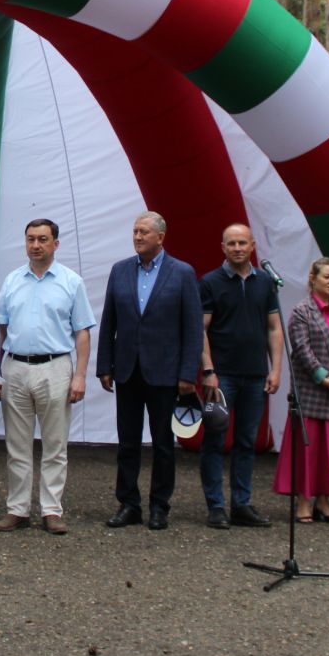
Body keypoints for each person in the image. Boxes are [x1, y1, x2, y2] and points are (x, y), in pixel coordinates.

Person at [96, 212, 201, 531]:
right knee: (127, 442)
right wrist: (104, 365)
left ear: (161, 236)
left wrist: (187, 373)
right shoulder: (120, 270)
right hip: (127, 369)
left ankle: (159, 506)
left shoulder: (182, 273)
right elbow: (109, 320)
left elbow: (193, 328)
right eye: (135, 231)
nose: (137, 237)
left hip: (166, 372)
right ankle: (129, 504)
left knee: (163, 442)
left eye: (144, 232)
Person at [0, 218, 93, 534]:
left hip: (55, 366)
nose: (36, 245)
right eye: (31, 239)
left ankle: (51, 511)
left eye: (43, 239)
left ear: (55, 244)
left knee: (55, 444)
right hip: (15, 366)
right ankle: (18, 509)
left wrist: (80, 376)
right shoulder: (12, 281)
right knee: (17, 445)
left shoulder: (71, 282)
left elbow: (83, 333)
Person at [197, 223, 283, 529]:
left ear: (253, 246)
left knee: (247, 441)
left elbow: (274, 327)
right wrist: (208, 370)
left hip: (256, 375)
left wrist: (275, 369)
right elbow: (201, 330)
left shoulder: (266, 283)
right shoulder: (210, 282)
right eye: (231, 243)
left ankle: (242, 504)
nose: (237, 248)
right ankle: (216, 505)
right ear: (223, 247)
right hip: (222, 377)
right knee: (215, 439)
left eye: (242, 243)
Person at [275, 257, 329, 523]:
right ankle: (303, 500)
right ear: (313, 278)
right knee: (308, 447)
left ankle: (324, 500)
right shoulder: (302, 311)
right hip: (313, 390)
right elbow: (301, 349)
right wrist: (324, 378)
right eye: (327, 277)